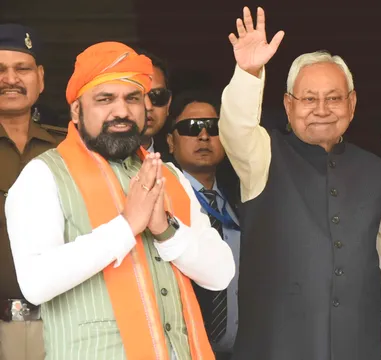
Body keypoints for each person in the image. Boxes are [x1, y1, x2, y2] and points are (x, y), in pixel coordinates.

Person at [5, 41, 235, 360]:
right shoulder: (43, 176)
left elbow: (221, 272)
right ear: (76, 110)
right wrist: (126, 226)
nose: (122, 111)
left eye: (133, 98)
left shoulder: (169, 176)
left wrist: (165, 230)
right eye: (105, 99)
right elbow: (36, 282)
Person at [218, 7, 381, 360]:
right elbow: (235, 128)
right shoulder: (262, 155)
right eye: (308, 99)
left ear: (351, 104)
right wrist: (248, 72)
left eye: (334, 98)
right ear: (288, 106)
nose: (321, 109)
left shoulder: (374, 169)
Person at [0, 23, 65, 360]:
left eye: (22, 68)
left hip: (60, 323)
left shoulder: (69, 149)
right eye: (0, 69)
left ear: (40, 77)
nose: (11, 78)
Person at [166, 89, 241, 360]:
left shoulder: (243, 197)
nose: (204, 135)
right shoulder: (160, 196)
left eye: (213, 127)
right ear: (170, 142)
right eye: (191, 128)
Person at [136, 48, 172, 154]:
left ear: (168, 103)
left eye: (157, 96)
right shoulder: (91, 165)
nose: (149, 106)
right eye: (136, 97)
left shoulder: (175, 168)